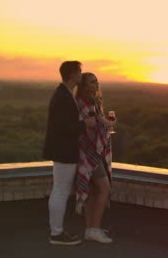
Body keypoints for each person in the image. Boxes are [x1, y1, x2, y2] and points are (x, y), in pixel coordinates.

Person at [43, 61, 96, 245]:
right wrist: (85, 124)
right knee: (60, 191)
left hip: (62, 150)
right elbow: (64, 127)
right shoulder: (63, 97)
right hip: (64, 151)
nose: (81, 76)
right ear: (73, 74)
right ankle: (56, 233)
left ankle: (56, 231)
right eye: (79, 72)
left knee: (59, 190)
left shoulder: (63, 94)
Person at [75, 72, 115, 244]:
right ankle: (95, 229)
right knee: (105, 189)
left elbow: (96, 124)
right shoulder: (87, 103)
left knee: (91, 193)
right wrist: (107, 126)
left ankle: (90, 229)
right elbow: (92, 129)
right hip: (89, 154)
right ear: (84, 86)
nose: (96, 83)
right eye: (92, 81)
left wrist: (106, 124)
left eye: (97, 80)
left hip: (84, 153)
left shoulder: (89, 102)